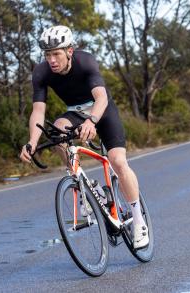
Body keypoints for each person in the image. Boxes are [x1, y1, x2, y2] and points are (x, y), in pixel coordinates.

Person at [19, 25, 148, 249]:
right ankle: (85, 185)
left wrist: (92, 121)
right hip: (76, 112)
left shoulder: (85, 61)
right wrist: (32, 142)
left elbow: (101, 98)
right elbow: (38, 111)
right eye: (47, 54)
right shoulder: (41, 72)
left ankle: (138, 220)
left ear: (69, 51)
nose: (51, 59)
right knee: (57, 129)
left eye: (56, 53)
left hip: (102, 111)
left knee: (117, 161)